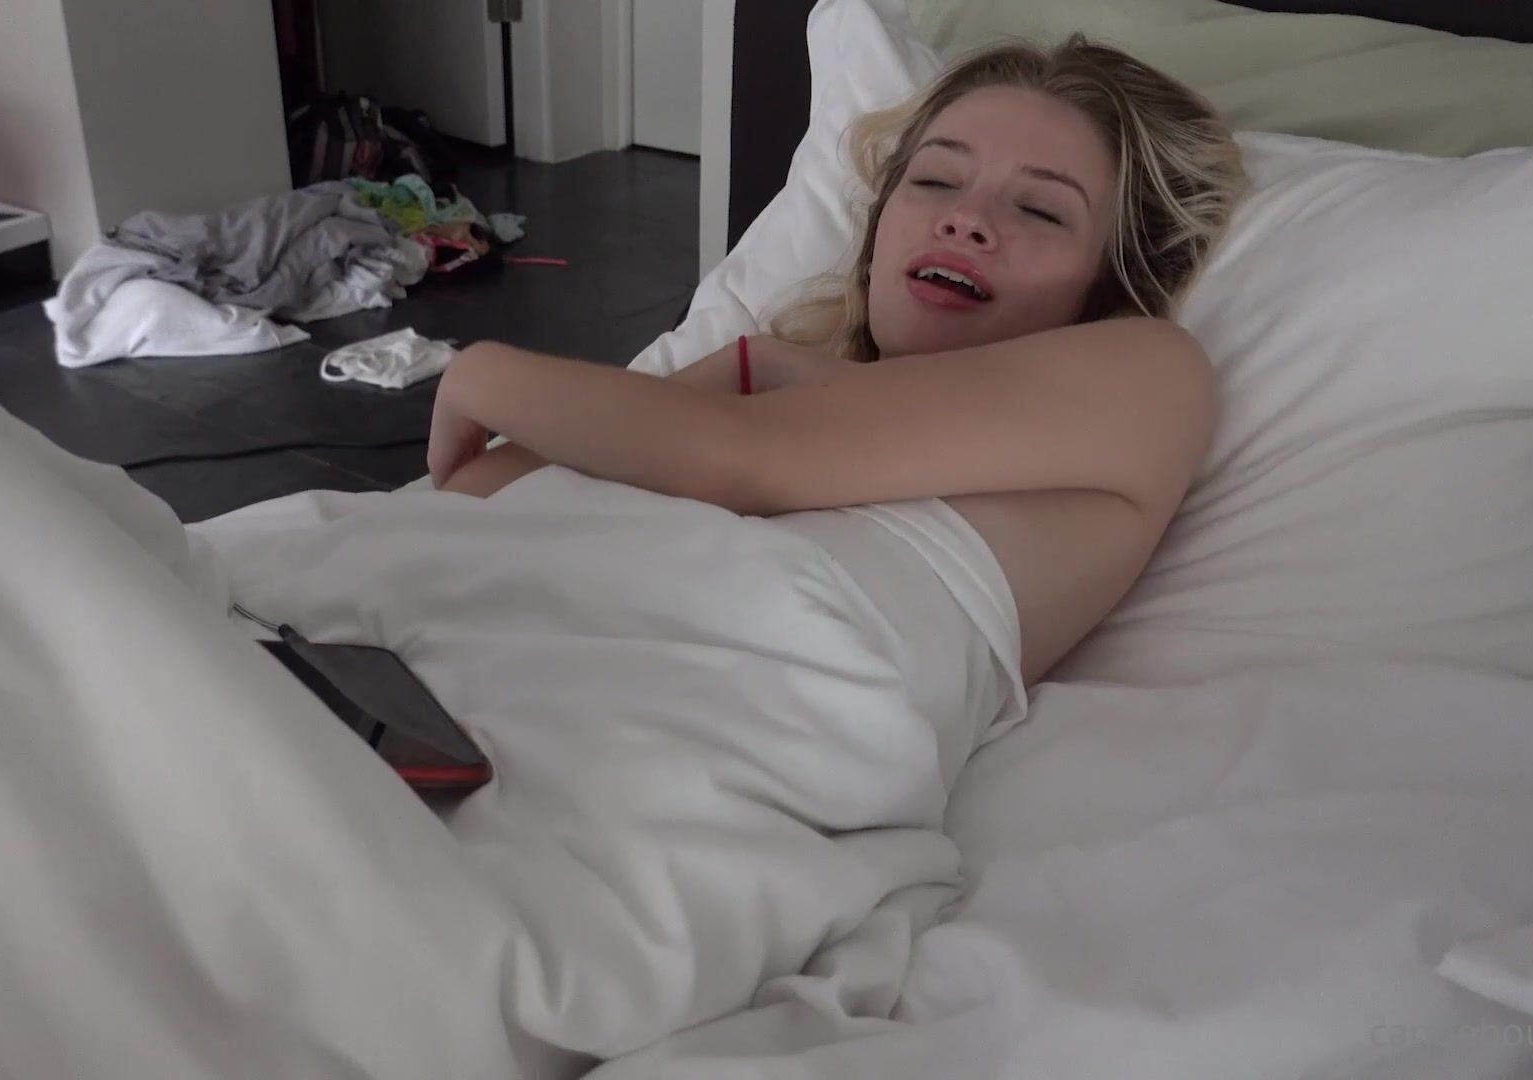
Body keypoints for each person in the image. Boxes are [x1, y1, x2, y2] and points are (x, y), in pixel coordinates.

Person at [427, 35, 1247, 684]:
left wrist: (482, 373)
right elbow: (468, 504)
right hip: (498, 663)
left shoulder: (1151, 374)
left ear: (1108, 285)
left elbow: (734, 460)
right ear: (878, 232)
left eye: (1039, 209)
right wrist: (752, 369)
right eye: (935, 181)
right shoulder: (761, 392)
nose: (965, 218)